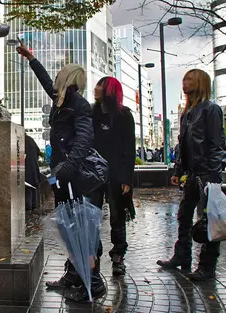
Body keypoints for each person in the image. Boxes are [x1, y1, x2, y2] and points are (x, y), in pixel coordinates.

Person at [16, 40, 106, 301]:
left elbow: (84, 139)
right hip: (63, 174)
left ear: (68, 78)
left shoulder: (78, 104)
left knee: (81, 227)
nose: (55, 76)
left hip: (72, 176)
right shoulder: (61, 100)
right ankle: (73, 274)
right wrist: (31, 57)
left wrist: (66, 168)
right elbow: (45, 80)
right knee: (69, 224)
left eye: (60, 73)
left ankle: (93, 282)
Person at [157, 69, 226, 280]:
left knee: (209, 220)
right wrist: (178, 171)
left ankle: (207, 266)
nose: (184, 83)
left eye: (188, 79)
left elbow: (217, 145)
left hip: (207, 175)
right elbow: (183, 146)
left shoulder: (211, 110)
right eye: (183, 79)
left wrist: (213, 177)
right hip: (192, 174)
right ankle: (182, 256)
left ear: (200, 83)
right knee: (184, 216)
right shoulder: (187, 113)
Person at [89, 76, 136, 276]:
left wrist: (127, 179)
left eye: (100, 85)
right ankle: (93, 252)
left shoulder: (124, 115)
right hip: (93, 172)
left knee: (117, 215)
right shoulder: (91, 113)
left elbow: (129, 148)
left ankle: (118, 256)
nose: (95, 88)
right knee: (91, 213)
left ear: (109, 90)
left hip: (117, 173)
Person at [25, 134, 40, 211]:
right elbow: (38, 151)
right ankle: (34, 206)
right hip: (34, 166)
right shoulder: (31, 139)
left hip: (26, 166)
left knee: (27, 187)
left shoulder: (21, 140)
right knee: (34, 186)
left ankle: (28, 207)